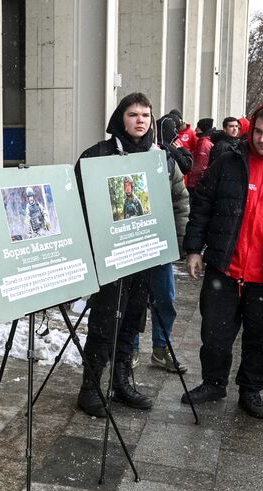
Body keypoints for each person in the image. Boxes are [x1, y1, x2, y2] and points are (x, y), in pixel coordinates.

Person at [181, 101, 263, 419]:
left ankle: (251, 390)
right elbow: (202, 206)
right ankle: (213, 382)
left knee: (261, 338)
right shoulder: (228, 162)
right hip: (225, 267)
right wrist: (194, 249)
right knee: (214, 334)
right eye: (258, 131)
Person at [74, 92, 191, 416]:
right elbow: (78, 203)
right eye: (132, 114)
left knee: (132, 323)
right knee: (104, 325)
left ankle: (122, 383)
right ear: (120, 119)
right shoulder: (97, 155)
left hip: (145, 258)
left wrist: (174, 243)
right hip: (109, 260)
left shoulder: (162, 159)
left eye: (145, 115)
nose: (139, 120)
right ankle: (91, 387)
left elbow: (180, 203)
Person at [187, 118, 217, 188]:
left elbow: (200, 166)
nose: (195, 129)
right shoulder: (209, 140)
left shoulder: (204, 143)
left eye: (198, 127)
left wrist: (192, 183)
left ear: (203, 128)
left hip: (197, 183)